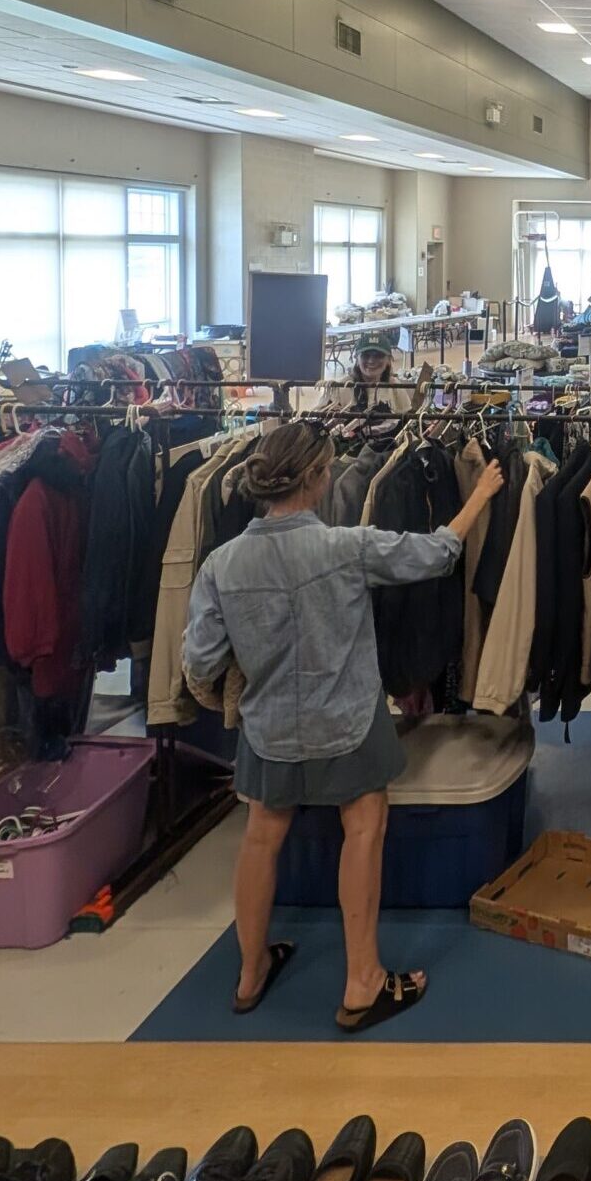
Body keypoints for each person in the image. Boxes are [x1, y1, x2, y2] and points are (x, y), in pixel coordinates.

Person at [182, 423, 504, 1033]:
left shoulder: (222, 565)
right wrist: (480, 496)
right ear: (315, 479)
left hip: (268, 728)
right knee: (363, 829)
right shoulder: (346, 547)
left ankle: (251, 972)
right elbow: (437, 553)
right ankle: (362, 982)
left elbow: (199, 660)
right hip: (349, 722)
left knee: (260, 837)